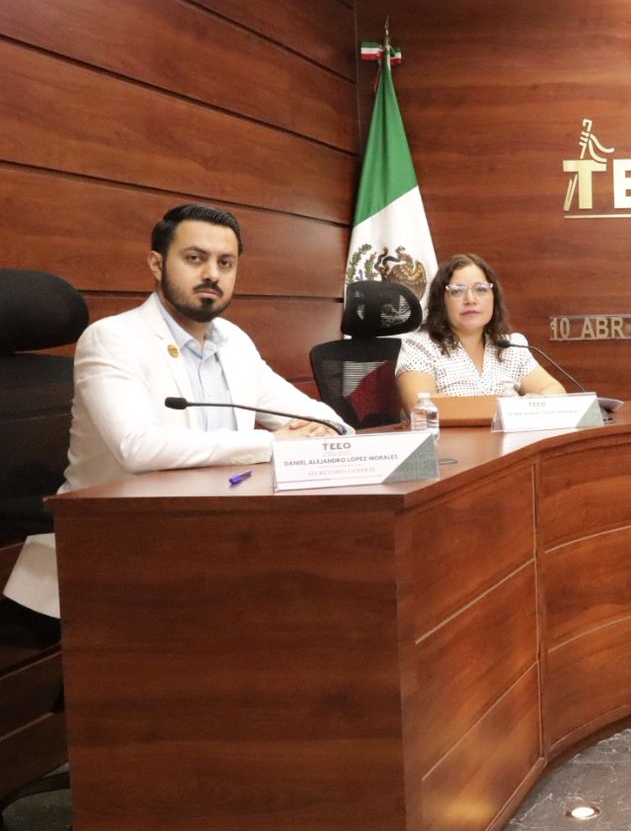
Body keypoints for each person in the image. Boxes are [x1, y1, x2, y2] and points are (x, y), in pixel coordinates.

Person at [1, 204, 343, 633]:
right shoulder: (113, 339)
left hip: (215, 542)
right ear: (156, 263)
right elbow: (139, 448)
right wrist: (273, 444)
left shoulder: (234, 342)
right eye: (195, 258)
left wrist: (323, 429)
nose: (212, 274)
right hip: (110, 555)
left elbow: (321, 418)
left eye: (225, 263)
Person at [396, 253, 564, 410]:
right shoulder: (420, 347)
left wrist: (535, 402)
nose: (470, 300)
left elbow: (555, 391)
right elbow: (421, 406)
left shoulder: (510, 347)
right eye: (457, 291)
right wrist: (507, 408)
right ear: (441, 301)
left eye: (481, 289)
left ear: (494, 298)